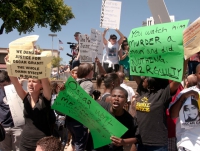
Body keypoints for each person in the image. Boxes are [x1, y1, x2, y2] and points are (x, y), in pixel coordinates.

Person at [5, 54, 55, 151]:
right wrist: (9, 65)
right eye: (29, 81)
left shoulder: (45, 99)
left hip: (42, 145)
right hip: (25, 142)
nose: (30, 84)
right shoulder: (25, 97)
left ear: (41, 85)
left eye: (34, 81)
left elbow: (44, 79)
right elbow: (14, 81)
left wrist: (39, 61)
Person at [133, 75, 181, 151]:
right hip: (141, 141)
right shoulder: (143, 92)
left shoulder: (162, 94)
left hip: (157, 144)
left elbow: (177, 80)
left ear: (151, 80)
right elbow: (135, 74)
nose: (143, 78)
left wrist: (185, 62)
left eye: (145, 78)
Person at [87, 87, 139, 151]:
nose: (116, 99)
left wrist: (123, 141)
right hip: (93, 147)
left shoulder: (129, 120)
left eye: (120, 97)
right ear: (110, 98)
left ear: (126, 101)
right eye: (114, 96)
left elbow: (137, 138)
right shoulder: (99, 107)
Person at [169, 64, 200, 151]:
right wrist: (183, 97)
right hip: (188, 145)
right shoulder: (185, 93)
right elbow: (173, 115)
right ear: (195, 75)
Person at [65, 63, 94, 151]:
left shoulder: (73, 82)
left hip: (69, 118)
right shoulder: (88, 84)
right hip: (79, 119)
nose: (93, 72)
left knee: (74, 142)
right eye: (92, 70)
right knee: (80, 145)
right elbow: (84, 99)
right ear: (88, 72)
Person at [0, 70, 23, 151]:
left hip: (17, 126)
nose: (3, 87)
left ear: (10, 82)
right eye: (1, 85)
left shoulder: (18, 89)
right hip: (3, 127)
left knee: (18, 149)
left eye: (5, 85)